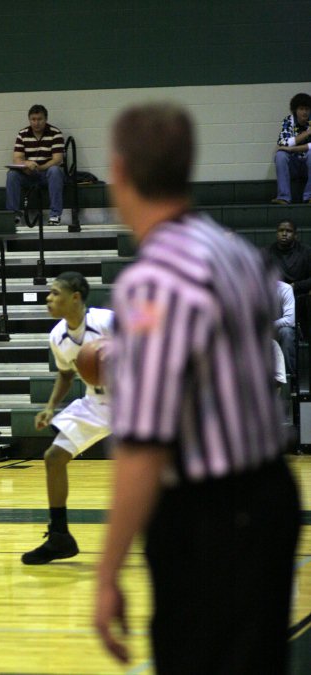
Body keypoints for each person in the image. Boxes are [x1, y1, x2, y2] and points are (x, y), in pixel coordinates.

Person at [95, 103, 300, 675]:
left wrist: (107, 574)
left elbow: (143, 445)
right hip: (270, 496)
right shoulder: (237, 253)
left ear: (120, 170)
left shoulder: (153, 279)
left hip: (209, 516)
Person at [21, 271, 113, 564]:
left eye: (55, 293)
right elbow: (64, 375)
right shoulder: (57, 336)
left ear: (75, 297)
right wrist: (50, 407)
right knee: (53, 457)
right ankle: (60, 537)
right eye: (48, 293)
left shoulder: (108, 322)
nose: (48, 298)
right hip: (97, 401)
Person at [6, 104, 65, 226]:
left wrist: (39, 168)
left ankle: (55, 215)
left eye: (39, 119)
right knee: (12, 174)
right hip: (28, 174)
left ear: (46, 119)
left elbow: (57, 159)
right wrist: (26, 164)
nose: (36, 122)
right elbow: (17, 158)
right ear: (29, 120)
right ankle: (13, 215)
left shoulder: (55, 133)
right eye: (33, 119)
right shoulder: (22, 134)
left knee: (55, 171)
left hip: (47, 175)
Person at [272, 92, 311, 204]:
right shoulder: (289, 121)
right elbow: (283, 143)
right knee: (280, 155)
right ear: (295, 110)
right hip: (293, 166)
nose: (304, 112)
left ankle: (309, 196)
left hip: (307, 165)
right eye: (301, 109)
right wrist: (306, 134)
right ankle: (284, 197)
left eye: (307, 109)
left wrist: (292, 149)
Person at [275, 280, 296, 375]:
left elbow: (289, 320)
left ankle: (288, 378)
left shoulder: (285, 288)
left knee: (286, 333)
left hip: (278, 329)